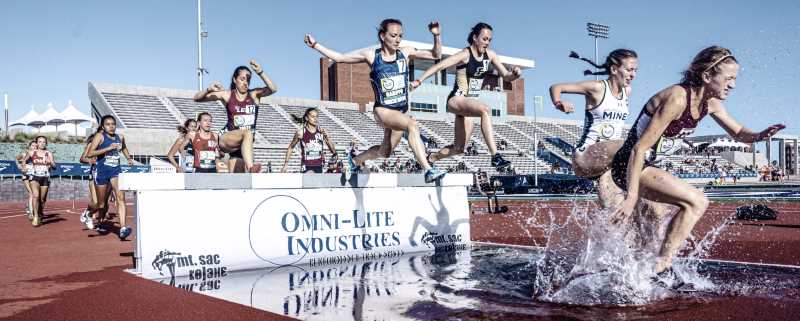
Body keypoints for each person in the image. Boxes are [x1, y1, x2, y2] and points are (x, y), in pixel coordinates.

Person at [609, 46, 785, 274]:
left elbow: (739, 132)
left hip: (647, 166)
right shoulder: (677, 98)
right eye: (729, 78)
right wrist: (631, 196)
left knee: (653, 227)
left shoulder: (710, 103)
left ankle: (637, 270)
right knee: (696, 201)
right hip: (630, 164)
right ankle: (662, 267)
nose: (732, 84)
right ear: (707, 76)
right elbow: (639, 149)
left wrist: (760, 135)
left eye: (735, 79)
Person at [305, 18, 446, 183]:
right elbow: (340, 57)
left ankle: (355, 160)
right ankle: (428, 169)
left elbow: (436, 55)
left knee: (385, 152)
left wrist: (437, 36)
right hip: (383, 111)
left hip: (401, 111)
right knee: (412, 125)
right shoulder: (372, 56)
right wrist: (316, 45)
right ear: (382, 36)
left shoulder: (405, 52)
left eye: (400, 35)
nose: (398, 39)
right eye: (393, 35)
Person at [410, 22, 517, 171]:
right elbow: (440, 66)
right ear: (475, 38)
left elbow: (506, 76)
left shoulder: (491, 56)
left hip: (468, 105)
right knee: (485, 109)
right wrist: (419, 80)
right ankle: (495, 156)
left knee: (459, 148)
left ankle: (430, 159)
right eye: (484, 39)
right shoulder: (465, 54)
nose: (487, 43)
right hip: (456, 100)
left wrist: (515, 74)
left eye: (489, 40)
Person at [193, 60, 277, 173]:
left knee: (237, 181)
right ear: (234, 79)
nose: (245, 82)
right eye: (242, 79)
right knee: (247, 132)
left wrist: (260, 72)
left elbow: (273, 89)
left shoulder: (254, 95)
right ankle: (251, 167)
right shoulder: (227, 94)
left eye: (248, 80)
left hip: (242, 145)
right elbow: (197, 98)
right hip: (227, 139)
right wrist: (209, 89)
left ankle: (246, 168)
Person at [85, 115, 136, 240]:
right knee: (101, 204)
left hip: (116, 171)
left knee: (121, 198)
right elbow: (90, 153)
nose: (111, 126)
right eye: (108, 124)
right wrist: (108, 148)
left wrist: (128, 158)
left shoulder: (120, 137)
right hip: (101, 172)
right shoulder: (100, 136)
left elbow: (123, 147)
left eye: (113, 124)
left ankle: (123, 228)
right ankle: (89, 213)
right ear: (103, 126)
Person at [282, 108, 337, 173]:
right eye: (313, 117)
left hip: (319, 166)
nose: (315, 119)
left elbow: (333, 151)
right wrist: (286, 164)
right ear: (307, 118)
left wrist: (328, 137)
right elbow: (291, 147)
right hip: (306, 165)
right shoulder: (301, 132)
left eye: (316, 116)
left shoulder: (321, 131)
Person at [22, 136, 55, 227]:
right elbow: (24, 161)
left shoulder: (48, 153)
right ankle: (36, 216)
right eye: (40, 142)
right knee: (35, 196)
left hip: (45, 177)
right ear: (37, 143)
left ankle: (40, 213)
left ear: (46, 143)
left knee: (42, 199)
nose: (42, 143)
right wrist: (24, 168)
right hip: (34, 177)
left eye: (44, 142)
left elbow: (54, 166)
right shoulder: (32, 152)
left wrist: (50, 163)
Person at [79, 133, 100, 225]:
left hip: (108, 174)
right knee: (96, 202)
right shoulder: (91, 145)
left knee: (104, 204)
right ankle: (88, 213)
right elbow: (82, 158)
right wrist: (90, 160)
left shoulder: (109, 145)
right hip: (95, 174)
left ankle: (100, 224)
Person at [15, 141, 37, 221]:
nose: (34, 147)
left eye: (36, 145)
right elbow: (16, 159)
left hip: (34, 174)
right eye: (33, 145)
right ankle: (31, 213)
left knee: (34, 193)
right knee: (31, 193)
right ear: (29, 146)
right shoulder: (25, 154)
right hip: (26, 174)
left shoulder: (37, 154)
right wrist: (20, 167)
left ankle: (29, 205)